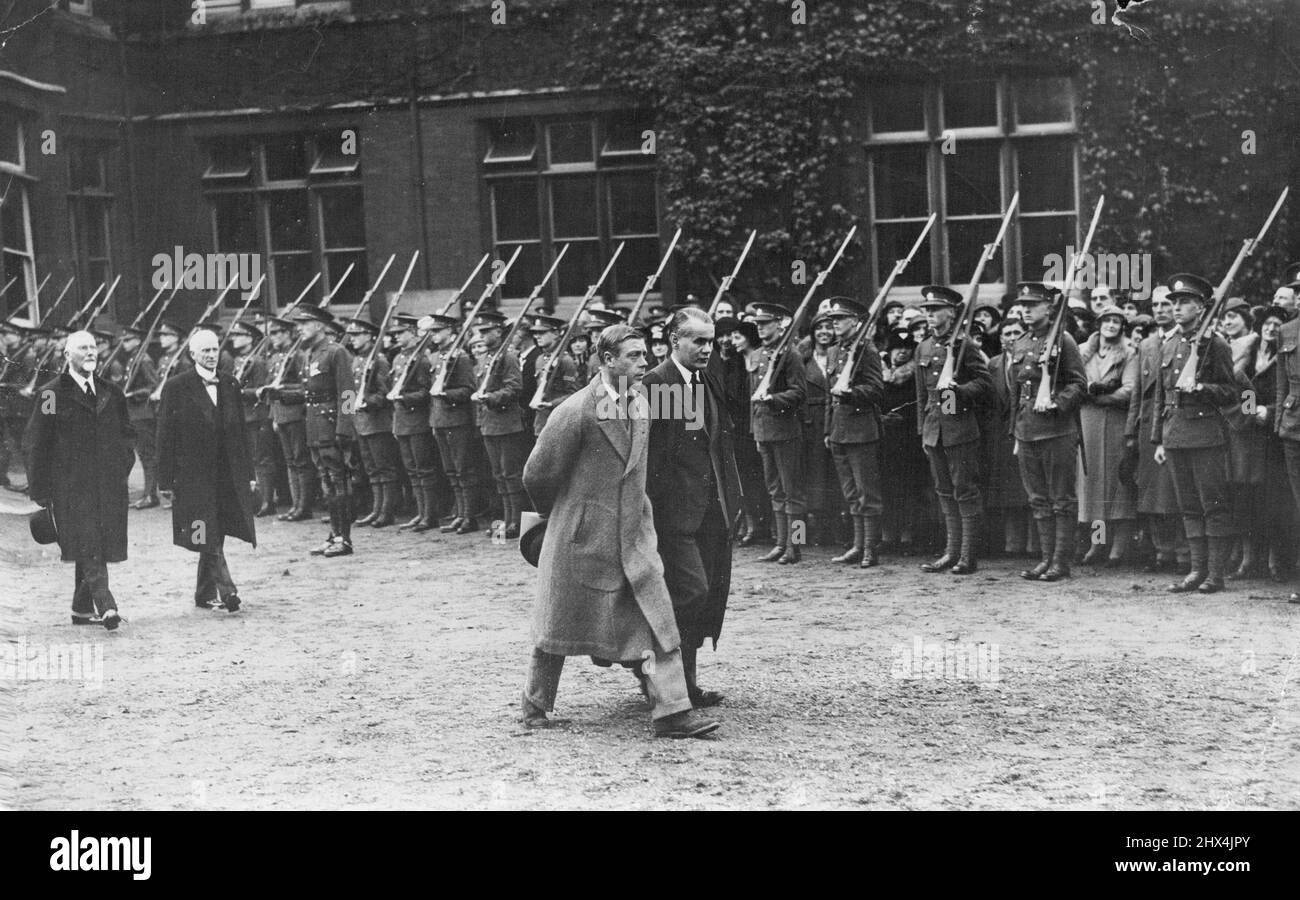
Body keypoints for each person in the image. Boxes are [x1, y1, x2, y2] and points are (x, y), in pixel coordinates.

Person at [519, 323, 720, 738]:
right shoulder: (575, 411)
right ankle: (534, 704)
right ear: (607, 360)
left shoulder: (643, 402)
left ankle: (671, 712)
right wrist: (567, 518)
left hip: (633, 535)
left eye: (645, 354)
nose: (644, 362)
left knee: (656, 619)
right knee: (557, 626)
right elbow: (536, 475)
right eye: (633, 356)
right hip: (581, 539)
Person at [642, 308, 741, 708]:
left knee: (706, 597)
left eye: (710, 341)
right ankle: (659, 682)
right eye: (698, 341)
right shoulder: (657, 384)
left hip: (711, 512)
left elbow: (720, 445)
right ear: (673, 341)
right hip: (672, 517)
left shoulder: (708, 381)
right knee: (687, 594)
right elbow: (648, 456)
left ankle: (687, 684)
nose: (706, 349)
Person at [26, 330, 135, 629]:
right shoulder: (51, 393)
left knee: (95, 542)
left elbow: (127, 435)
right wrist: (40, 489)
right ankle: (107, 606)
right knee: (89, 543)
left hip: (108, 486)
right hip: (71, 487)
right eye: (82, 348)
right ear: (67, 355)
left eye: (93, 347)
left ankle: (81, 609)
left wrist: (121, 467)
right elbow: (37, 441)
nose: (90, 352)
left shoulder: (111, 391)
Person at [156, 329, 256, 612]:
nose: (212, 356)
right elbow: (165, 434)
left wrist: (249, 474)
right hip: (192, 474)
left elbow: (241, 433)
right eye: (206, 351)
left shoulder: (230, 384)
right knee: (204, 530)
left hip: (226, 473)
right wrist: (165, 479)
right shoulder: (177, 386)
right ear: (192, 355)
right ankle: (228, 590)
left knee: (217, 528)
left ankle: (203, 593)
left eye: (215, 350)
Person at [1150, 274, 1238, 593]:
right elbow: (1161, 395)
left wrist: (1202, 388)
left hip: (1205, 433)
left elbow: (1231, 391)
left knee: (1212, 504)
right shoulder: (1170, 343)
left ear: (1201, 308)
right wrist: (1158, 438)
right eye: (1174, 302)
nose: (1176, 308)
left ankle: (1215, 574)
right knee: (1188, 506)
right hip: (1175, 434)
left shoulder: (1216, 344)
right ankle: (1196, 570)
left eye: (1184, 302)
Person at [1007, 283, 1088, 582]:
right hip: (1027, 431)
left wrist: (1055, 404)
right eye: (1023, 305)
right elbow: (1017, 392)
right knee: (1038, 499)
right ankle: (1045, 558)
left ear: (1048, 308)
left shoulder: (1063, 341)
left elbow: (1080, 385)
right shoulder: (1021, 342)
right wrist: (1015, 431)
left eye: (1032, 304)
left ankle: (1060, 561)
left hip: (1057, 431)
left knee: (1061, 499)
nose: (1026, 310)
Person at [914, 286, 993, 575]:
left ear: (951, 313)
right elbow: (922, 395)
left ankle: (967, 555)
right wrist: (923, 431)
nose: (930, 315)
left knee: (965, 491)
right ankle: (950, 552)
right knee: (944, 492)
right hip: (935, 429)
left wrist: (958, 390)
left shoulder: (965, 346)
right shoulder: (923, 348)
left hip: (959, 429)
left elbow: (986, 384)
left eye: (935, 310)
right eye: (927, 310)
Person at [1227, 305, 1291, 580]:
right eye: (1267, 323)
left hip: (1272, 438)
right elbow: (1234, 387)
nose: (1271, 328)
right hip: (1245, 435)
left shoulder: (1286, 358)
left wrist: (1271, 412)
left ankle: (1274, 562)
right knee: (1244, 497)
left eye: (1277, 324)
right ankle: (1247, 559)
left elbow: (1289, 393)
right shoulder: (1248, 355)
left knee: (1271, 500)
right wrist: (1250, 410)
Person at [1126, 287, 1188, 572]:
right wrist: (1130, 430)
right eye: (1156, 305)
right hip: (1148, 423)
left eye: (1166, 304)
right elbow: (1138, 391)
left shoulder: (1187, 338)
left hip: (1175, 420)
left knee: (1176, 491)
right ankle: (1161, 551)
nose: (1161, 309)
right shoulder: (1148, 343)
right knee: (1150, 492)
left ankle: (1183, 553)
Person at [822, 298, 885, 566]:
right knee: (850, 492)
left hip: (861, 430)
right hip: (839, 430)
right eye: (832, 319)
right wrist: (828, 429)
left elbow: (876, 389)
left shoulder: (867, 351)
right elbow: (829, 394)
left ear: (855, 322)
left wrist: (851, 395)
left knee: (866, 492)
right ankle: (858, 545)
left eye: (840, 318)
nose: (834, 323)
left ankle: (870, 548)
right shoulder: (835, 351)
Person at [293, 305, 357, 557]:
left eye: (304, 323)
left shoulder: (336, 352)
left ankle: (345, 539)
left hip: (331, 426)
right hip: (314, 426)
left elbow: (348, 393)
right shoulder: (309, 354)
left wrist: (344, 428)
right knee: (327, 482)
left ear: (319, 325)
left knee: (338, 481)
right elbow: (310, 393)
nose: (299, 328)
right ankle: (334, 534)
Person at [1077, 304, 1139, 566]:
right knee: (1092, 488)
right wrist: (1087, 391)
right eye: (1107, 320)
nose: (1111, 325)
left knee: (1117, 486)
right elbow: (1074, 381)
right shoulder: (1083, 352)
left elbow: (1130, 389)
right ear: (1099, 324)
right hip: (1087, 423)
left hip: (1116, 421)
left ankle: (1118, 547)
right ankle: (1097, 544)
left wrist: (1102, 398)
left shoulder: (1130, 353)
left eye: (1117, 322)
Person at [746, 302, 807, 564]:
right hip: (764, 431)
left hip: (785, 431)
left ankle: (796, 546)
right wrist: (754, 430)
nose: (760, 329)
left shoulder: (790, 354)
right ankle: (781, 543)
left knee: (792, 491)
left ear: (779, 324)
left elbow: (799, 392)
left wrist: (772, 400)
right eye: (757, 325)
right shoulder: (758, 355)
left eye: (765, 324)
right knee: (775, 490)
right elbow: (752, 398)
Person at [472, 309, 529, 539]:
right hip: (490, 422)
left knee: (510, 473)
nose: (483, 336)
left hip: (507, 423)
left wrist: (491, 398)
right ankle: (505, 520)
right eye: (482, 331)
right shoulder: (488, 357)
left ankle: (515, 521)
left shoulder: (508, 356)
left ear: (498, 331)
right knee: (498, 474)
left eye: (487, 331)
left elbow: (514, 388)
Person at [429, 314, 485, 535]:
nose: (433, 335)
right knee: (451, 470)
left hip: (457, 420)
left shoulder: (459, 357)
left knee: (463, 470)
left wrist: (446, 394)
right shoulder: (438, 357)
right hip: (440, 420)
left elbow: (468, 389)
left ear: (451, 333)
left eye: (437, 331)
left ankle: (469, 516)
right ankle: (460, 514)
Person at [388, 314, 442, 533]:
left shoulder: (421, 359)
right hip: (401, 421)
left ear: (412, 333)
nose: (397, 337)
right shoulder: (398, 358)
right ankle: (420, 512)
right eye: (395, 334)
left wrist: (405, 399)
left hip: (417, 420)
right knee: (412, 470)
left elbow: (425, 392)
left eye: (401, 333)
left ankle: (430, 515)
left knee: (424, 469)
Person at [985, 317, 1034, 555]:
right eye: (1007, 334)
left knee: (1031, 489)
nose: (1012, 338)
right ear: (1000, 338)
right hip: (1001, 433)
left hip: (1026, 428)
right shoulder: (993, 364)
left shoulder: (1032, 360)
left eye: (1017, 332)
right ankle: (1012, 544)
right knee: (1008, 491)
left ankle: (1034, 545)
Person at [346, 317, 400, 528]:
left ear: (369, 336)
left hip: (377, 422)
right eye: (352, 336)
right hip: (361, 423)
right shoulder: (356, 360)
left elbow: (384, 394)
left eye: (357, 335)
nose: (354, 340)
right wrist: (348, 413)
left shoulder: (380, 360)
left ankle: (387, 511)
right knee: (371, 469)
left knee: (384, 468)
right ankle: (376, 509)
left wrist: (365, 402)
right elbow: (349, 390)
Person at [263, 316, 315, 523]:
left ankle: (305, 506)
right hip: (281, 415)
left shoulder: (298, 356)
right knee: (290, 462)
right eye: (272, 333)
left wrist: (283, 392)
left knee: (301, 461)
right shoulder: (276, 357)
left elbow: (306, 388)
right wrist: (275, 415)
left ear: (288, 334)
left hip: (296, 414)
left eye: (278, 333)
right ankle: (296, 505)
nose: (274, 337)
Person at [802, 308, 843, 546]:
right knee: (815, 476)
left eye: (829, 327)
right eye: (820, 328)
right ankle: (816, 529)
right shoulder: (804, 358)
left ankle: (839, 528)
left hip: (837, 418)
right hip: (812, 423)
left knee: (837, 475)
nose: (825, 332)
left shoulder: (840, 356)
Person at [229, 321, 278, 517]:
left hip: (257, 416)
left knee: (262, 460)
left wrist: (238, 391)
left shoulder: (256, 362)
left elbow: (261, 390)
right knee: (250, 459)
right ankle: (255, 499)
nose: (234, 338)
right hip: (243, 416)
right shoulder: (239, 361)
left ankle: (267, 501)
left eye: (238, 335)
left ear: (249, 339)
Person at [115, 325, 162, 509]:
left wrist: (133, 394)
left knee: (147, 455)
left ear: (137, 341)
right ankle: (147, 494)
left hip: (143, 413)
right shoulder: (134, 358)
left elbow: (153, 386)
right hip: (135, 413)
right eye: (123, 340)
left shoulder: (144, 360)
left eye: (128, 340)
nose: (124, 344)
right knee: (143, 455)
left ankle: (151, 495)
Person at [527, 313, 579, 436]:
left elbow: (573, 394)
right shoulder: (540, 359)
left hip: (559, 422)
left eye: (542, 333)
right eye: (536, 333)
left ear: (556, 333)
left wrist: (551, 404)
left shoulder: (565, 361)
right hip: (541, 423)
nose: (537, 336)